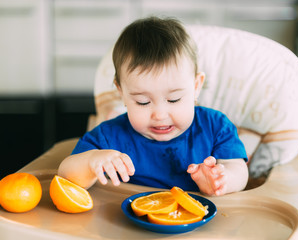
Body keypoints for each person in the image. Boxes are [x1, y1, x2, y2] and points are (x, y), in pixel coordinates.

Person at [58, 16, 248, 196]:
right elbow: (65, 176)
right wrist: (91, 162)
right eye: (143, 102)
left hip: (200, 223)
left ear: (196, 86)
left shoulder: (215, 127)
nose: (159, 114)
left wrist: (221, 180)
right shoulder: (110, 136)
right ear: (121, 92)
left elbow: (239, 170)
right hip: (129, 224)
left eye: (173, 99)